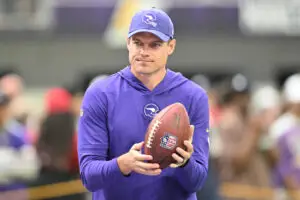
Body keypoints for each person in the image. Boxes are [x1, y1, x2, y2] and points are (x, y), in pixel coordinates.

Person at [78, 8, 210, 200]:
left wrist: (184, 163)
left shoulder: (193, 96)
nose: (144, 52)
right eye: (138, 43)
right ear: (127, 43)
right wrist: (123, 164)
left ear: (171, 46)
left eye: (155, 45)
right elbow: (88, 176)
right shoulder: (101, 94)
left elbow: (197, 181)